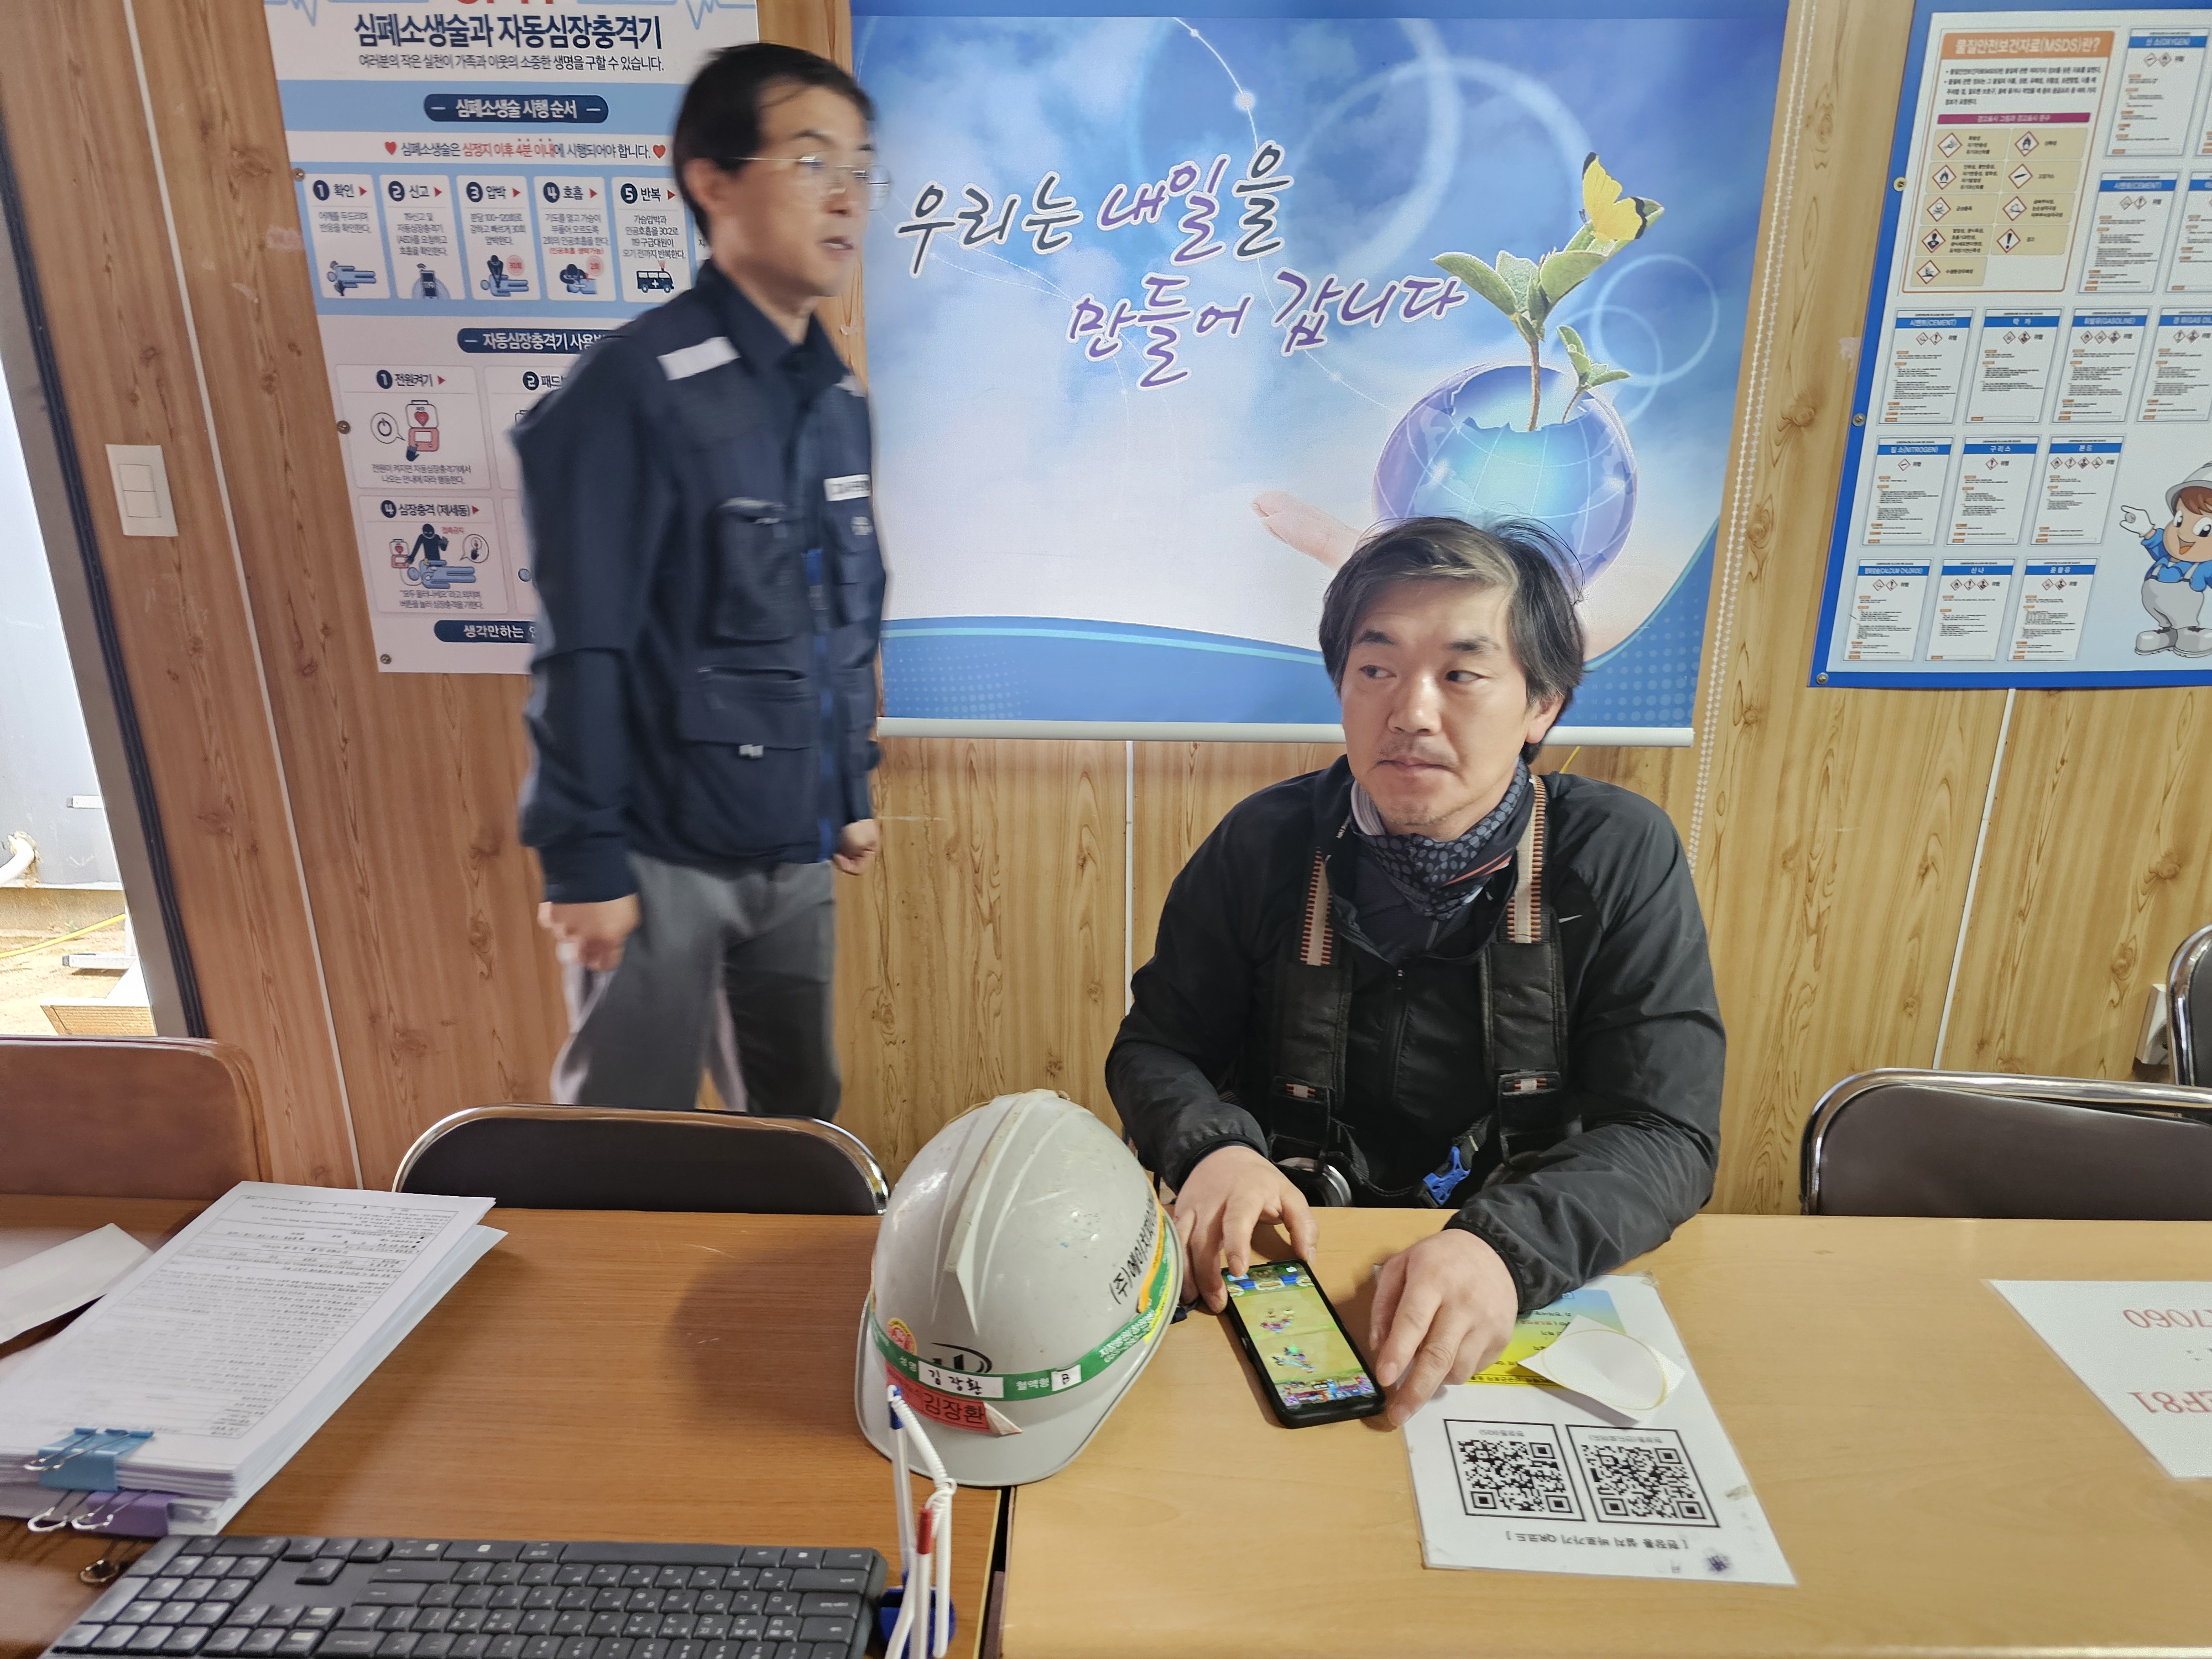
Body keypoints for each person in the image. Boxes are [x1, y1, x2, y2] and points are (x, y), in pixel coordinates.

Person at [1108, 517, 1723, 1426]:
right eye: (1376, 669)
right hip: (1282, 1269)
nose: (1411, 713)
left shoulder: (1617, 853)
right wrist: (1214, 1147)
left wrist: (1505, 1250)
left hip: (1518, 1277)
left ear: (1543, 705)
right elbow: (1158, 1047)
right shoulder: (1265, 842)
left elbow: (1665, 1129)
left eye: (1462, 674)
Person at [514, 43, 889, 1118]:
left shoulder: (833, 398)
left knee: (798, 1118)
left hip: (793, 846)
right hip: (656, 852)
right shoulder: (632, 388)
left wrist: (848, 792)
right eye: (811, 161)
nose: (846, 197)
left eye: (861, 169)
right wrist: (584, 861)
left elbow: (839, 613)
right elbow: (583, 645)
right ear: (712, 182)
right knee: (628, 1134)